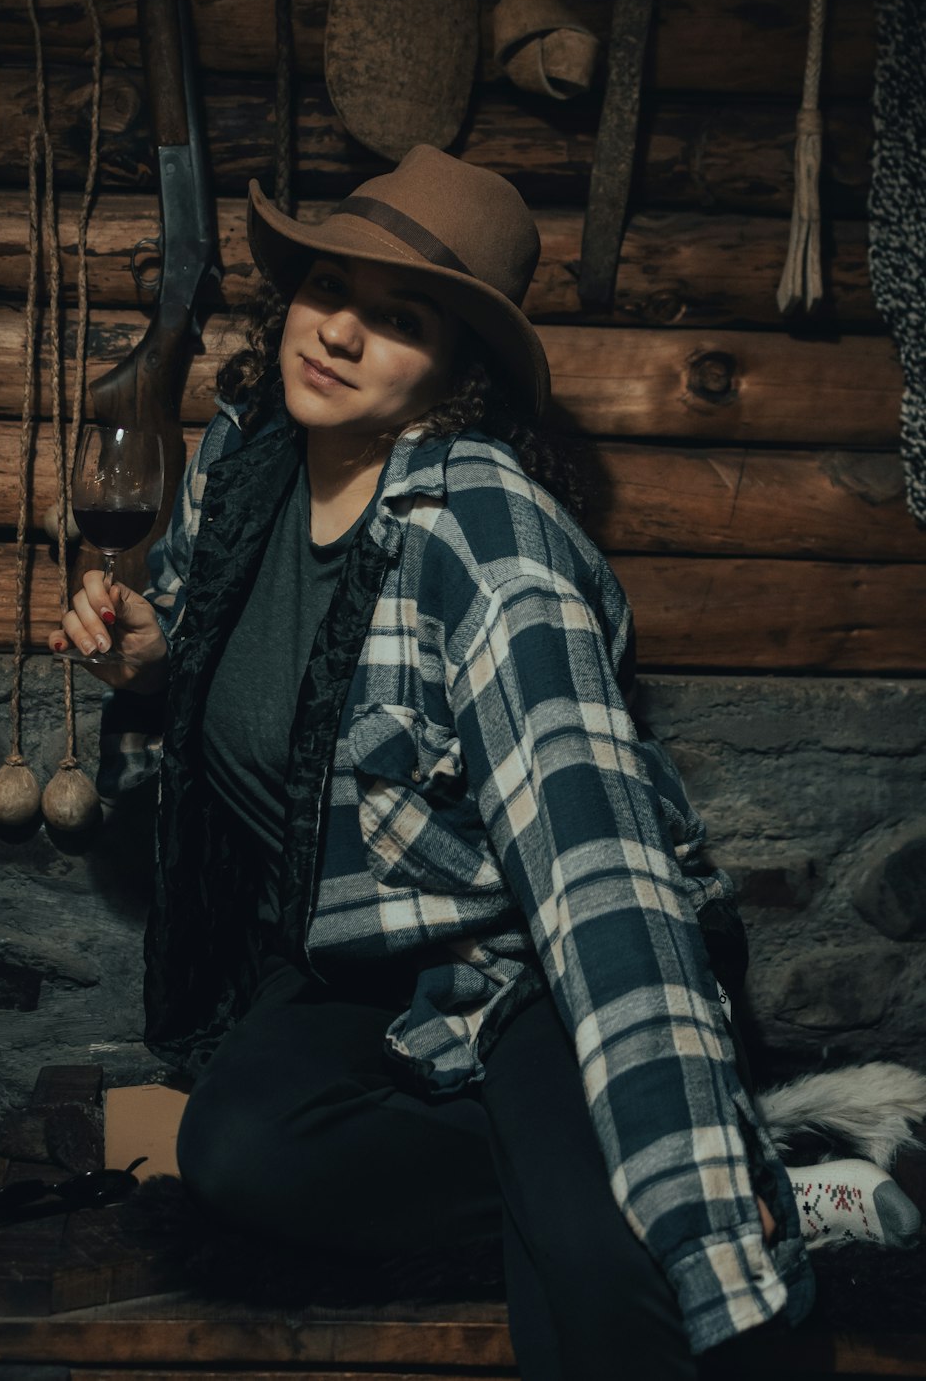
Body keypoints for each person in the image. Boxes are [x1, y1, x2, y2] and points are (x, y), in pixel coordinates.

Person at [50, 146, 815, 1378]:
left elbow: (599, 880)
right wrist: (151, 660)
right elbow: (243, 653)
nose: (340, 334)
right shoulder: (244, 455)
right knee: (238, 1154)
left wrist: (697, 1210)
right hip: (358, 954)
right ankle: (572, 1179)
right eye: (328, 291)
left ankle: (714, 1178)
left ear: (455, 372)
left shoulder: (490, 541)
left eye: (397, 318)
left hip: (525, 965)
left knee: (622, 1287)